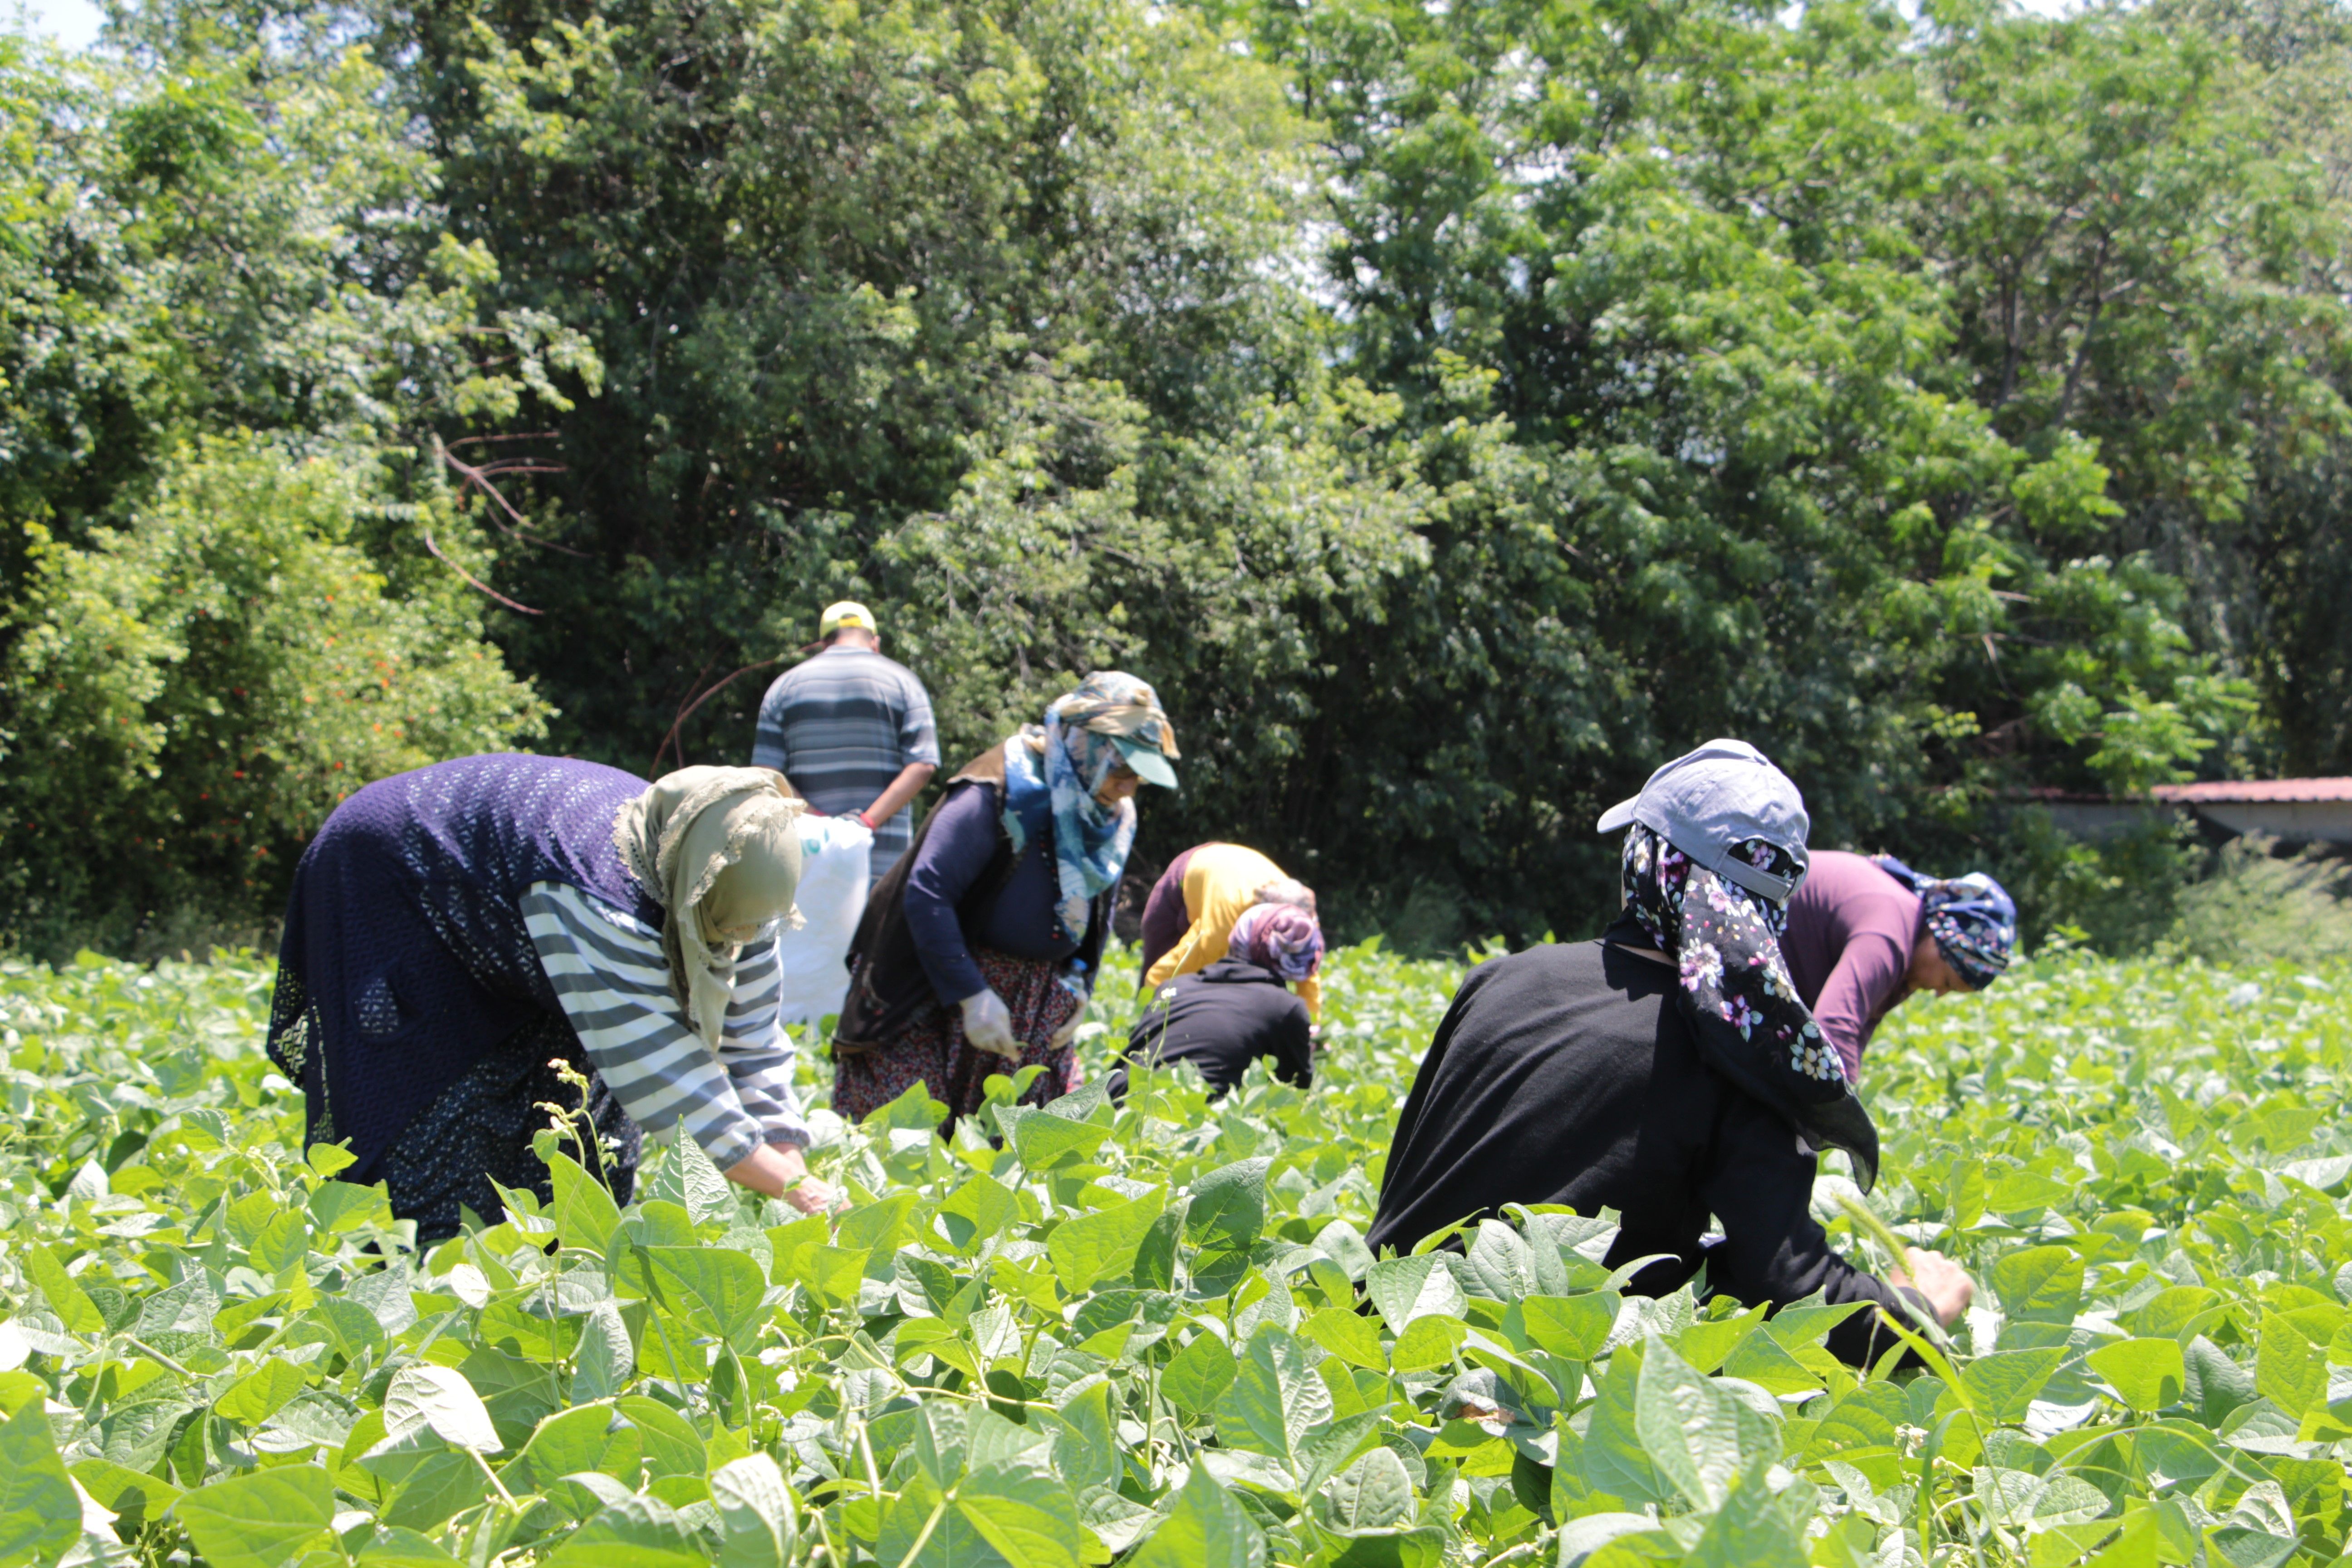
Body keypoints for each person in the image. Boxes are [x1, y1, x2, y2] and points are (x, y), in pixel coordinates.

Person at [1367, 740, 1972, 1367]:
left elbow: (1420, 1192)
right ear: (1776, 904)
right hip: (1525, 1374)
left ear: (1643, 859)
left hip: (1384, 1337)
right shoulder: (1737, 1050)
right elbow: (1794, 1290)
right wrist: (1916, 1314)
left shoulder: (1500, 977)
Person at [265, 756, 840, 1239]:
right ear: (690, 884)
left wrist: (787, 1151)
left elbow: (754, 1037)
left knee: (580, 1127)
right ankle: (418, 1303)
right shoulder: (598, 891)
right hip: (398, 882)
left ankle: (555, 1290)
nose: (737, 940)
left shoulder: (741, 873)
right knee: (436, 1127)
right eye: (723, 927)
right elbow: (664, 1081)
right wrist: (799, 1190)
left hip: (505, 898)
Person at [830, 673, 1179, 1125]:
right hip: (933, 989)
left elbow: (1098, 911)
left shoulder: (1109, 818)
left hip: (1030, 1003)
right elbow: (927, 890)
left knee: (1010, 1155)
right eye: (1121, 768)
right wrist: (972, 995)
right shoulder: (998, 789)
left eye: (1141, 776)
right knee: (910, 1145)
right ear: (1085, 745)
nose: (1130, 786)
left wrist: (1080, 986)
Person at [1782, 850, 2019, 1083]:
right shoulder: (1889, 937)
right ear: (1938, 942)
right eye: (1947, 982)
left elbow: (1852, 1043)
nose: (1939, 993)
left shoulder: (1909, 955)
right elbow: (1833, 1027)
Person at [750, 601, 940, 888]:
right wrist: (865, 823)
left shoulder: (783, 688)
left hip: (808, 865)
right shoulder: (905, 683)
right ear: (875, 642)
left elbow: (766, 773)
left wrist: (821, 824)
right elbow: (923, 765)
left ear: (824, 643)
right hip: (883, 871)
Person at [1110, 901, 1322, 1102]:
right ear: (1300, 963)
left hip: (1106, 1113)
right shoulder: (1285, 1009)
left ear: (1237, 938)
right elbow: (1294, 1094)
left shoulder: (1172, 987)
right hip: (1177, 1123)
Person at [1137, 843, 1323, 1019]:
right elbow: (1160, 976)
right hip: (1198, 866)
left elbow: (1307, 970)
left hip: (1239, 870)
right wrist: (1150, 1015)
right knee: (1167, 957)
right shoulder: (1221, 929)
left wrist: (1310, 1027)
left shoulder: (1302, 927)